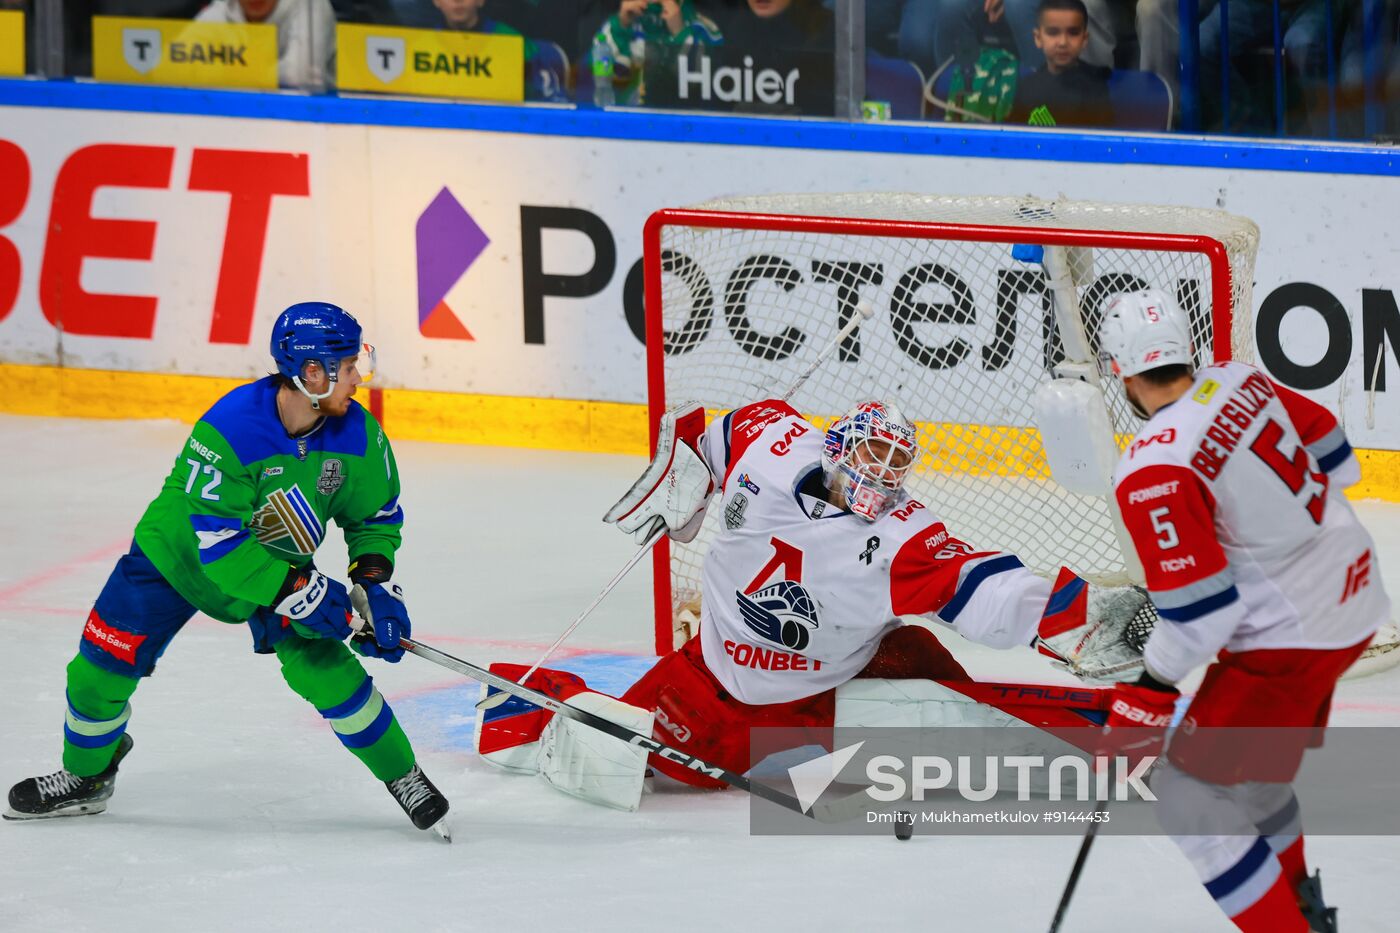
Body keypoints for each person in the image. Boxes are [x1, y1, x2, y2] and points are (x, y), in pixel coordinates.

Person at [476, 398, 1149, 807]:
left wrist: (1077, 616)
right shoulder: (773, 443)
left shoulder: (902, 535)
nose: (885, 473)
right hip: (715, 676)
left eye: (897, 462)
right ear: (838, 446)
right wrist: (683, 475)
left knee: (952, 706)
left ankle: (1099, 736)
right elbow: (718, 436)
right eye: (874, 453)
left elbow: (982, 586)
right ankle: (525, 702)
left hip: (848, 669)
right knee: (619, 754)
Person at [4, 303, 450, 838]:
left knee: (327, 671)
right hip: (177, 558)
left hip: (278, 563)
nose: (358, 378)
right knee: (99, 671)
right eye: (348, 366)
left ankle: (404, 774)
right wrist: (307, 595)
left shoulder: (358, 435)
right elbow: (223, 549)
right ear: (312, 372)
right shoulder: (230, 430)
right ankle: (86, 777)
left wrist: (373, 583)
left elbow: (374, 517)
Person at [1096, 290, 1388, 931]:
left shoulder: (1153, 465)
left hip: (1293, 640)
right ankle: (1304, 913)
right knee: (1252, 782)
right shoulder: (1239, 380)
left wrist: (1148, 689)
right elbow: (1339, 458)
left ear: (1118, 370)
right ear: (1187, 350)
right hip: (1357, 592)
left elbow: (1204, 618)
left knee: (1187, 797)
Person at [589, 0, 722, 107]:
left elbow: (705, 86)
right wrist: (621, 25)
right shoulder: (620, 22)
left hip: (683, 127)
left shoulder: (702, 27)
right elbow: (592, 82)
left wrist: (680, 32)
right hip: (626, 126)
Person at [434, 0, 569, 101]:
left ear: (481, 1)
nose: (458, 1)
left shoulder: (511, 42)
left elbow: (547, 104)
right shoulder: (422, 44)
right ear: (436, 1)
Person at [1008, 0, 1115, 127]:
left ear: (1084, 39)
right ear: (1038, 38)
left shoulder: (1096, 89)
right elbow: (1014, 139)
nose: (1063, 42)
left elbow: (1102, 142)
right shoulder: (1025, 89)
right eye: (1053, 32)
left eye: (1073, 33)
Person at [194, 0, 337, 90]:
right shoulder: (222, 9)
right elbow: (181, 67)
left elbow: (298, 75)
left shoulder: (311, 5)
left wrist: (231, 73)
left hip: (312, 118)